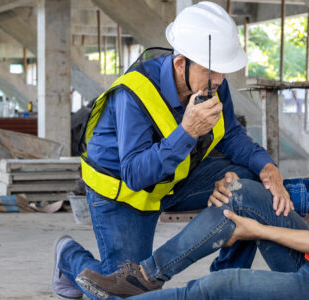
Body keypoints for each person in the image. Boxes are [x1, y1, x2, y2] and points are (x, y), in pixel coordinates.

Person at [74, 67, 309, 300]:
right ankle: (145, 277)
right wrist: (260, 181)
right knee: (241, 189)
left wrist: (260, 230)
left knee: (219, 290)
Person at [52, 2, 291, 299]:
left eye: (223, 72)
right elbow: (136, 174)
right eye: (211, 71)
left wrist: (267, 166)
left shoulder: (211, 84)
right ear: (181, 64)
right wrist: (187, 131)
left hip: (174, 178)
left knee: (248, 187)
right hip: (124, 192)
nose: (219, 80)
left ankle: (223, 282)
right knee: (127, 293)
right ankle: (68, 256)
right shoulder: (133, 94)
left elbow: (230, 134)